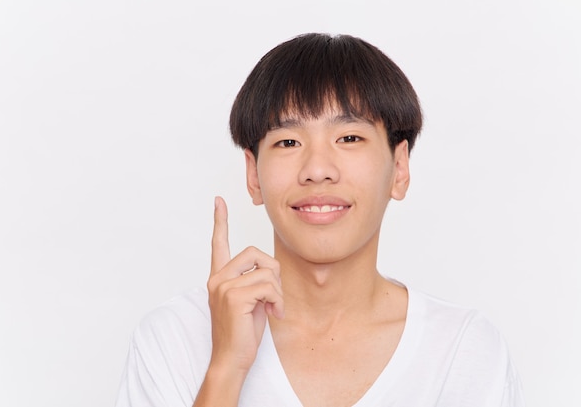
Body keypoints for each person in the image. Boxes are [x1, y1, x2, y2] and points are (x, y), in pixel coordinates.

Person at [115, 33, 525, 407]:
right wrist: (226, 369)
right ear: (253, 176)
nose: (317, 169)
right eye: (288, 141)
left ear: (399, 169)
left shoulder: (463, 348)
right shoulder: (174, 338)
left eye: (349, 138)